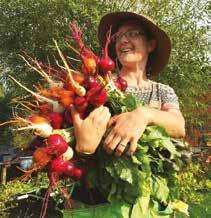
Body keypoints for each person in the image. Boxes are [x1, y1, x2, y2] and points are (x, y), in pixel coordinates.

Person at [71, 11, 186, 157]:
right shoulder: (101, 83)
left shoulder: (162, 91)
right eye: (118, 36)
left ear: (150, 45)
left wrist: (144, 114)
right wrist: (84, 148)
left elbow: (179, 126)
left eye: (132, 34)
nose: (123, 40)